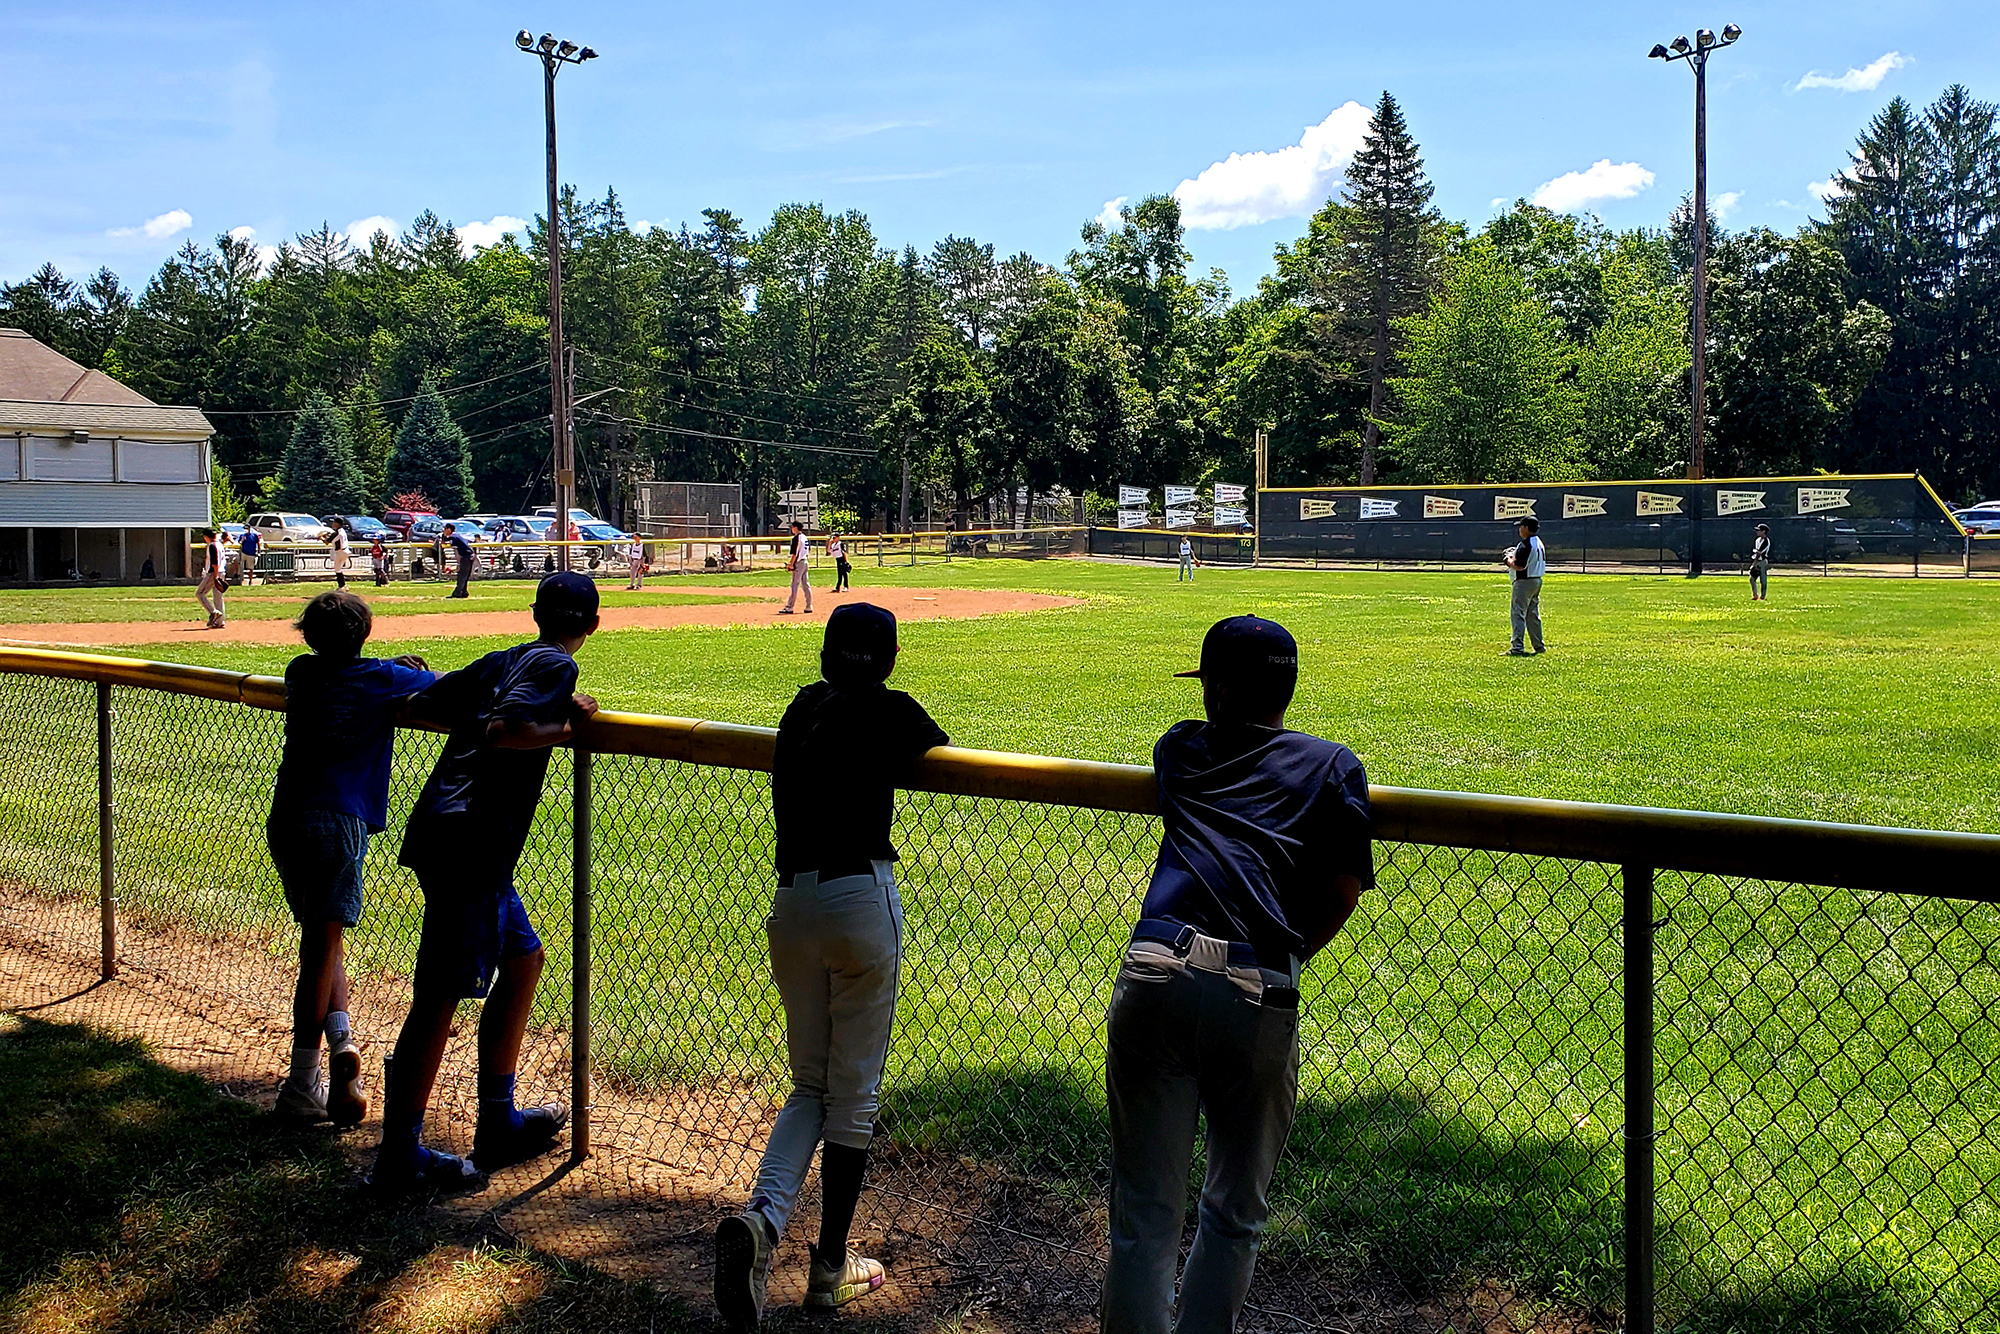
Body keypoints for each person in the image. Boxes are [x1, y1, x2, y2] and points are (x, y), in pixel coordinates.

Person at [1102, 615, 1373, 1334]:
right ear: (1288, 688)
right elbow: (1342, 891)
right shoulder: (1334, 765)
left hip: (1156, 968)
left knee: (1144, 1215)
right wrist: (1280, 960)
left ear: (1216, 692)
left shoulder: (1182, 748)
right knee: (1232, 1213)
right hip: (1258, 983)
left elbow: (1203, 746)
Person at [714, 603, 948, 1332]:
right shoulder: (890, 709)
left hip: (792, 905)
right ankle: (829, 1266)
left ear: (823, 654)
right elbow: (928, 742)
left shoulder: (800, 706)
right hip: (860, 898)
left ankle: (763, 1220)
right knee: (853, 1097)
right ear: (888, 659)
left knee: (809, 1085)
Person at [366, 572, 602, 1195]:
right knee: (439, 996)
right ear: (594, 626)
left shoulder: (506, 658)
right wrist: (570, 731)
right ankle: (399, 1155)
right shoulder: (553, 663)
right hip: (471, 842)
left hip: (460, 837)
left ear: (534, 612)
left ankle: (497, 1118)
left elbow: (427, 703)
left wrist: (411, 674)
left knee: (524, 959)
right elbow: (508, 730)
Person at [267, 591, 435, 1126]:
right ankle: (301, 1081)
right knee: (320, 946)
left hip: (287, 815)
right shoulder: (382, 678)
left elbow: (336, 671)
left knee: (323, 936)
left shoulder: (300, 672)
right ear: (366, 632)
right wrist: (403, 669)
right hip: (337, 820)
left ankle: (342, 1046)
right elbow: (438, 684)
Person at [1503, 516, 1546, 656]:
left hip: (1524, 582)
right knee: (1532, 615)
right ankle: (1539, 646)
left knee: (1518, 614)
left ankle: (1517, 647)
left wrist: (1508, 559)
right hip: (1536, 580)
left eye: (1521, 526)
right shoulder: (1538, 542)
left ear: (1527, 528)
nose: (1519, 529)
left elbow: (1519, 566)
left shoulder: (1526, 544)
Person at [779, 521, 814, 615]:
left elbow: (795, 553)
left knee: (794, 585)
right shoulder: (804, 537)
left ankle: (790, 607)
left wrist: (791, 564)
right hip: (805, 561)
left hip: (799, 563)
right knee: (806, 584)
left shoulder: (796, 538)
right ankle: (809, 605)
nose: (791, 529)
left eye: (792, 527)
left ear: (795, 528)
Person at [197, 528, 228, 629]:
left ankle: (213, 612)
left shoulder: (212, 546)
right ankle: (220, 621)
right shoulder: (220, 544)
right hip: (221, 572)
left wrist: (215, 577)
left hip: (213, 573)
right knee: (218, 598)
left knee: (200, 593)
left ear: (206, 536)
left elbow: (215, 563)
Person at [446, 523, 474, 599]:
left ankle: (457, 593)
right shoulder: (457, 536)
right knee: (465, 575)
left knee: (462, 575)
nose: (444, 531)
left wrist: (459, 561)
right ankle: (464, 592)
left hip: (466, 556)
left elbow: (456, 550)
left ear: (449, 529)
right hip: (470, 555)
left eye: (445, 529)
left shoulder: (453, 537)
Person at [1749, 522, 1772, 601]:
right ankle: (1755, 595)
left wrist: (1754, 564)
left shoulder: (1766, 541)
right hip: (1757, 560)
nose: (1757, 532)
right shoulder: (1757, 540)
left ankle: (1762, 596)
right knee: (1752, 579)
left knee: (1763, 580)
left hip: (1762, 562)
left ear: (1764, 531)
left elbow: (1759, 553)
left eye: (1759, 530)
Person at [330, 524, 351, 589]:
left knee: (337, 569)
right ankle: (343, 586)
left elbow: (328, 541)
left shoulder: (337, 532)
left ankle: (342, 586)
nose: (333, 524)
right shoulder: (343, 531)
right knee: (338, 569)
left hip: (340, 552)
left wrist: (321, 537)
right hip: (346, 550)